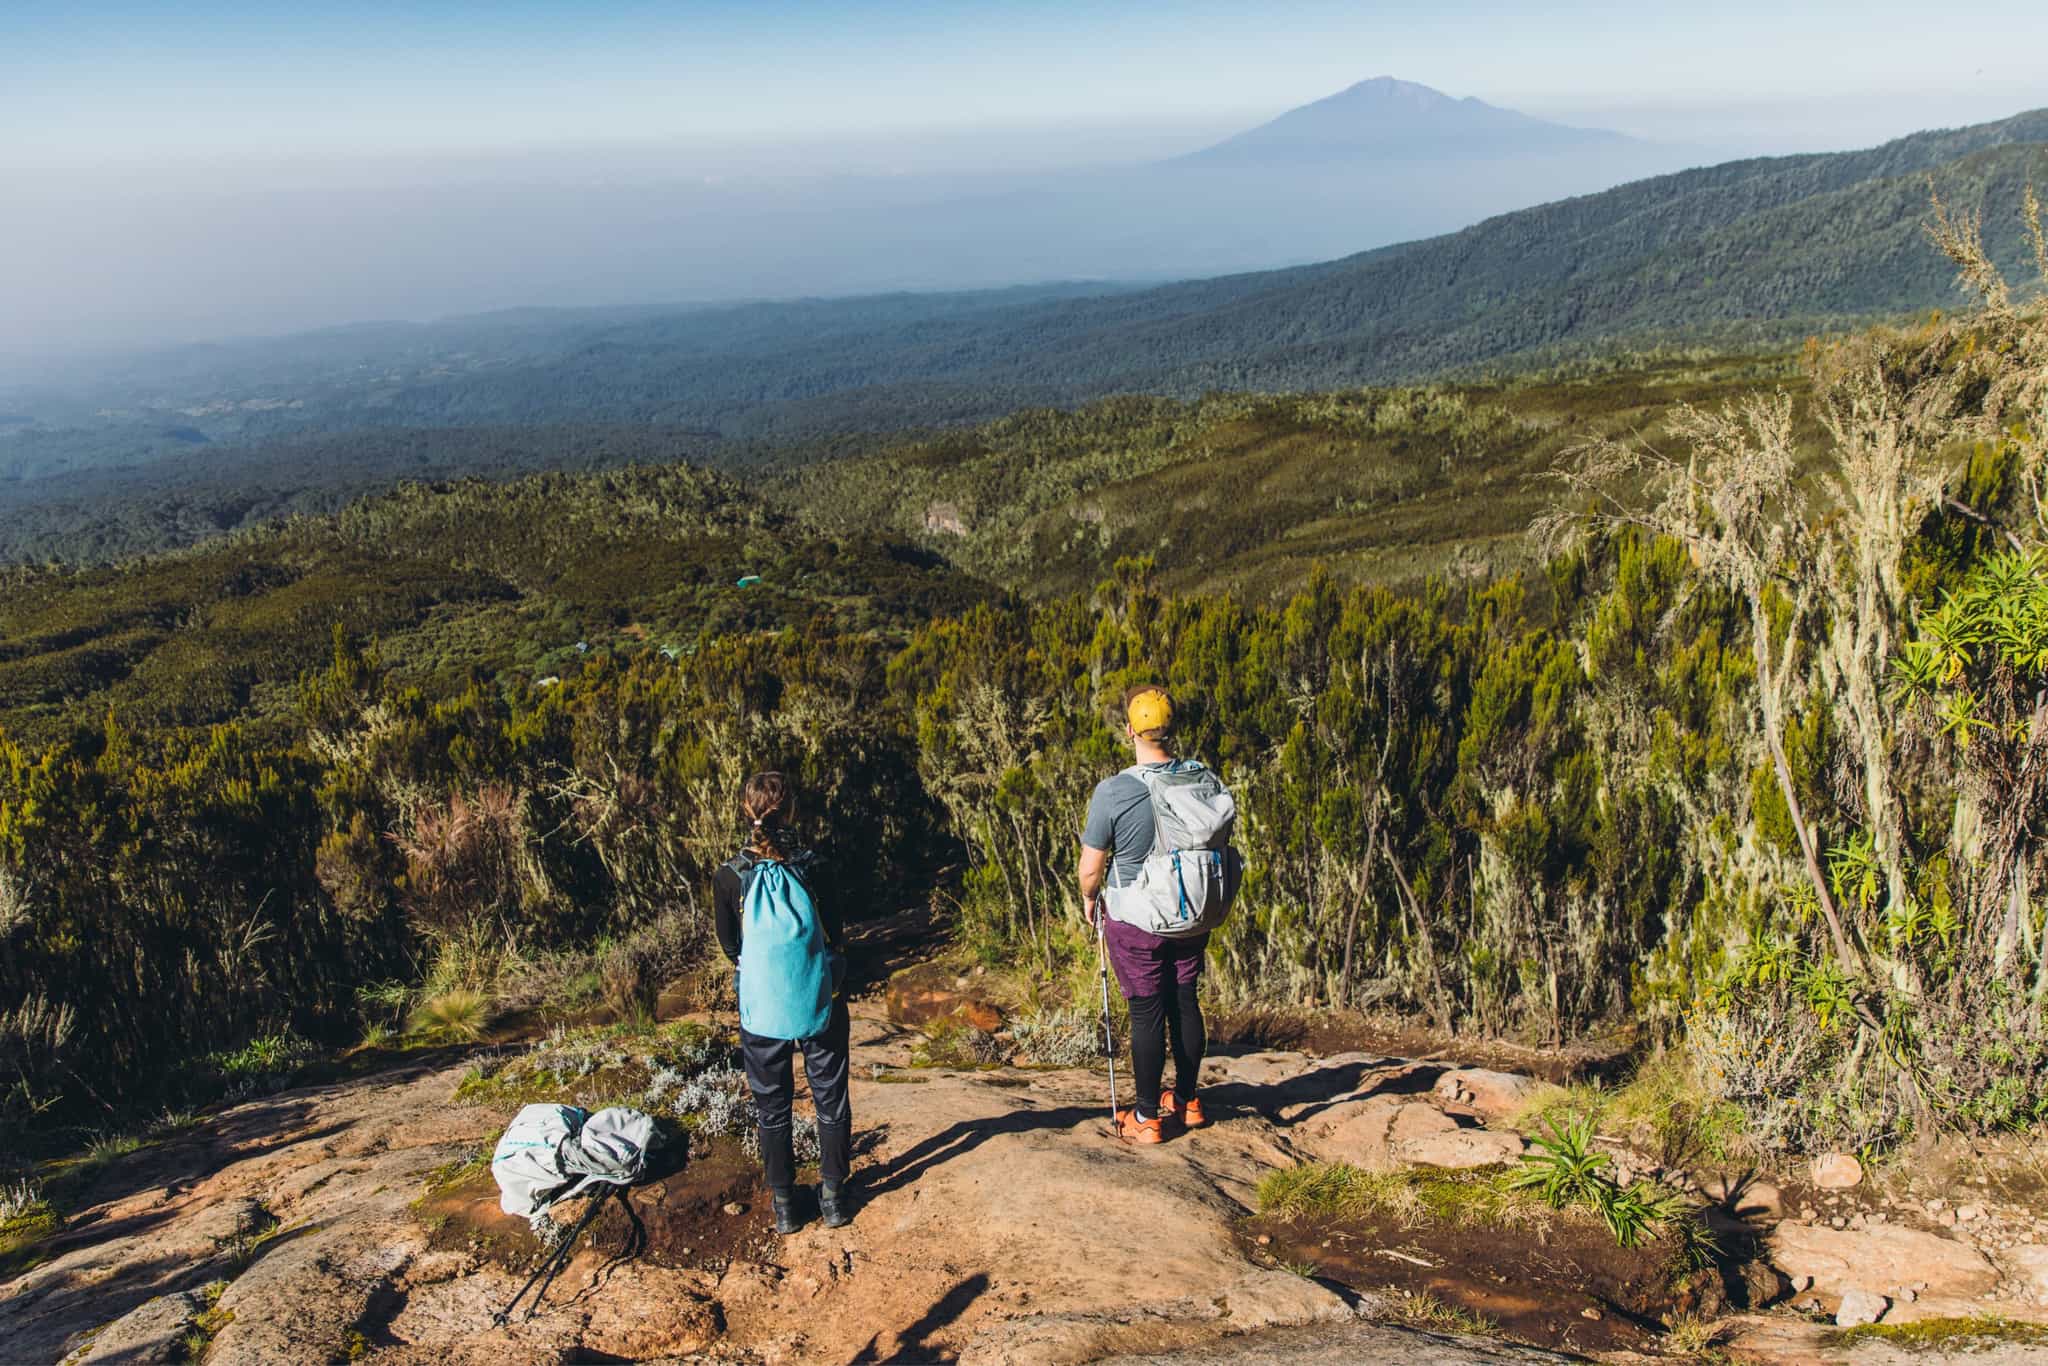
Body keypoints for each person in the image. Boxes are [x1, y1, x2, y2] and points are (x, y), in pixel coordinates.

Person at [713, 771, 854, 1233]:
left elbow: (730, 947)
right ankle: (833, 1198)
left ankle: (786, 1207)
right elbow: (837, 931)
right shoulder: (817, 867)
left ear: (744, 812)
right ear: (792, 812)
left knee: (772, 1107)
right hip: (820, 997)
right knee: (829, 1096)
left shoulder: (729, 876)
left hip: (761, 1006)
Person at [1078, 685, 1210, 1144]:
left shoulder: (1114, 790)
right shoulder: (1201, 778)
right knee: (1185, 999)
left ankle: (1147, 1118)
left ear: (1131, 729)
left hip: (1136, 916)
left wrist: (1090, 900)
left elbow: (1091, 868)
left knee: (1147, 1009)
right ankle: (1189, 1101)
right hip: (1191, 911)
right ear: (1170, 729)